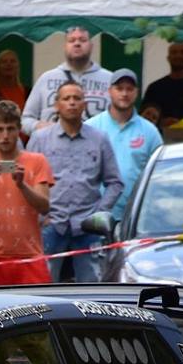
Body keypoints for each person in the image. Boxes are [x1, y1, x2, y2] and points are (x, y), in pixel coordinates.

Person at [27, 82, 122, 283]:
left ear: (84, 104)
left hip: (88, 225)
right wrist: (38, 216)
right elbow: (27, 180)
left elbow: (115, 183)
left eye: (77, 98)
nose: (72, 103)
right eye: (66, 98)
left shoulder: (99, 139)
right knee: (44, 288)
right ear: (56, 105)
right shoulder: (40, 139)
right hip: (50, 222)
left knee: (92, 289)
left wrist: (99, 213)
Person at [0, 100, 54, 287]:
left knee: (40, 312)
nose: (5, 136)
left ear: (19, 129)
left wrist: (22, 185)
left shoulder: (37, 161)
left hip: (30, 255)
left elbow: (45, 206)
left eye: (10, 129)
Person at [93, 70, 162, 227]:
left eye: (129, 89)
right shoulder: (91, 127)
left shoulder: (150, 131)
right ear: (109, 91)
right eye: (119, 88)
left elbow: (159, 175)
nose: (124, 93)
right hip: (96, 215)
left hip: (136, 217)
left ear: (137, 93)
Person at [21, 25, 110, 135]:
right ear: (65, 46)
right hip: (51, 147)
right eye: (71, 40)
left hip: (95, 149)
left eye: (83, 40)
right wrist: (39, 127)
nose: (77, 43)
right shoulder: (46, 79)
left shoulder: (109, 80)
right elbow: (25, 120)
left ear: (91, 46)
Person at [140, 40, 183, 127]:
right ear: (168, 58)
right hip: (161, 138)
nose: (178, 55)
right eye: (174, 52)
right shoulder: (154, 88)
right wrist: (160, 122)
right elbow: (143, 118)